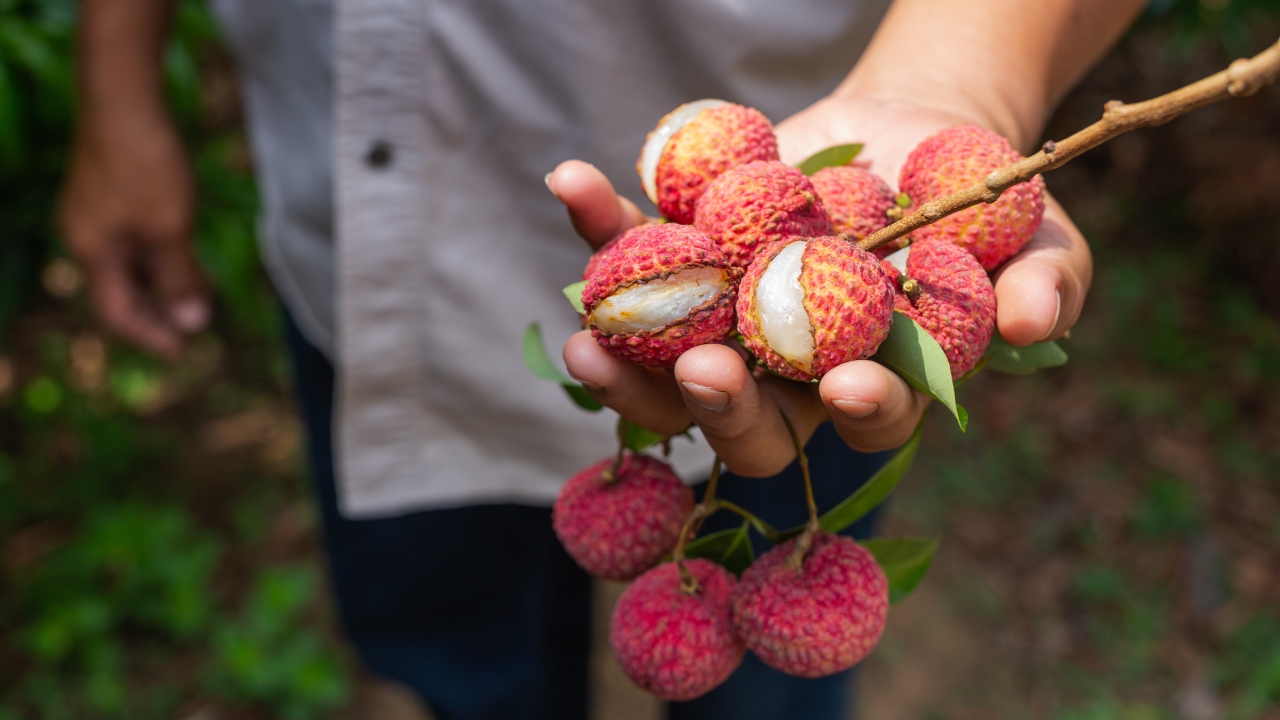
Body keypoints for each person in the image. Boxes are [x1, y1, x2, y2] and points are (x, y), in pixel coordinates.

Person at [58, 0, 1144, 718]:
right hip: (356, 254)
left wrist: (964, 89)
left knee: (763, 690)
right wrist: (115, 85)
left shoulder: (828, 256)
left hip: (792, 379)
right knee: (462, 659)